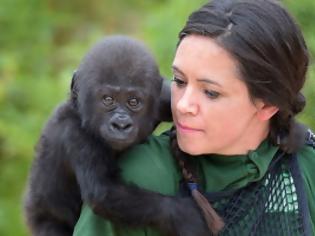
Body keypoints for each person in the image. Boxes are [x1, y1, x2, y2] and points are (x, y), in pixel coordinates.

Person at [73, 0, 315, 235]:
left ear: (268, 105)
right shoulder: (138, 178)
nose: (183, 104)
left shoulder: (305, 166)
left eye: (210, 92)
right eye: (179, 81)